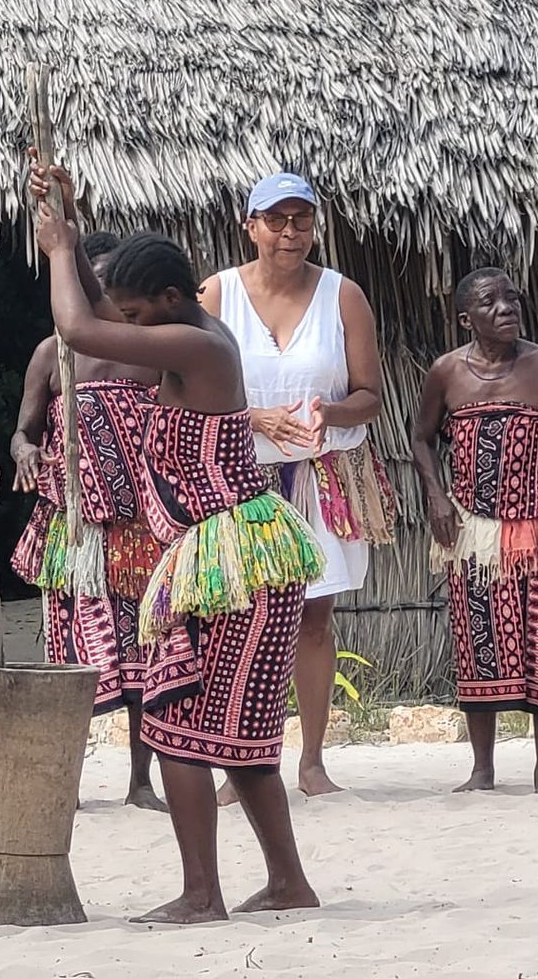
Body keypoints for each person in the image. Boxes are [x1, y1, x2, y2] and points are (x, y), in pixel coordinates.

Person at [32, 160, 324, 924]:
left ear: (164, 302)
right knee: (244, 733)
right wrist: (66, 207)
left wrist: (62, 248)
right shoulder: (187, 331)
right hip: (230, 559)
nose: (125, 329)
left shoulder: (201, 350)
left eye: (135, 313)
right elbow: (99, 312)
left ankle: (202, 894)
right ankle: (288, 882)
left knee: (175, 721)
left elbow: (78, 326)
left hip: (231, 562)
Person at [199, 172, 395, 798]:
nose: (290, 233)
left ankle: (311, 761)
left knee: (313, 617)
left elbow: (369, 395)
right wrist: (253, 417)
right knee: (241, 618)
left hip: (319, 474)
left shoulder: (344, 297)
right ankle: (243, 764)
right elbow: (181, 388)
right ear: (250, 225)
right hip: (239, 475)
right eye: (276, 220)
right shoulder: (215, 295)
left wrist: (327, 413)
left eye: (302, 221)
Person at [412, 268, 538, 794]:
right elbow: (422, 438)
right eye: (491, 303)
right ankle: (482, 769)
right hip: (477, 536)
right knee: (479, 644)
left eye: (512, 298)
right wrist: (436, 495)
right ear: (466, 318)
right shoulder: (446, 372)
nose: (507, 308)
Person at [12, 232, 167, 811]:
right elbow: (24, 429)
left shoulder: (151, 352)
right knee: (71, 660)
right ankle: (66, 784)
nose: (97, 292)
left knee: (144, 655)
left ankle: (141, 782)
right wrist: (24, 450)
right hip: (72, 529)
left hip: (138, 527)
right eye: (85, 280)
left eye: (106, 283)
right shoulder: (52, 354)